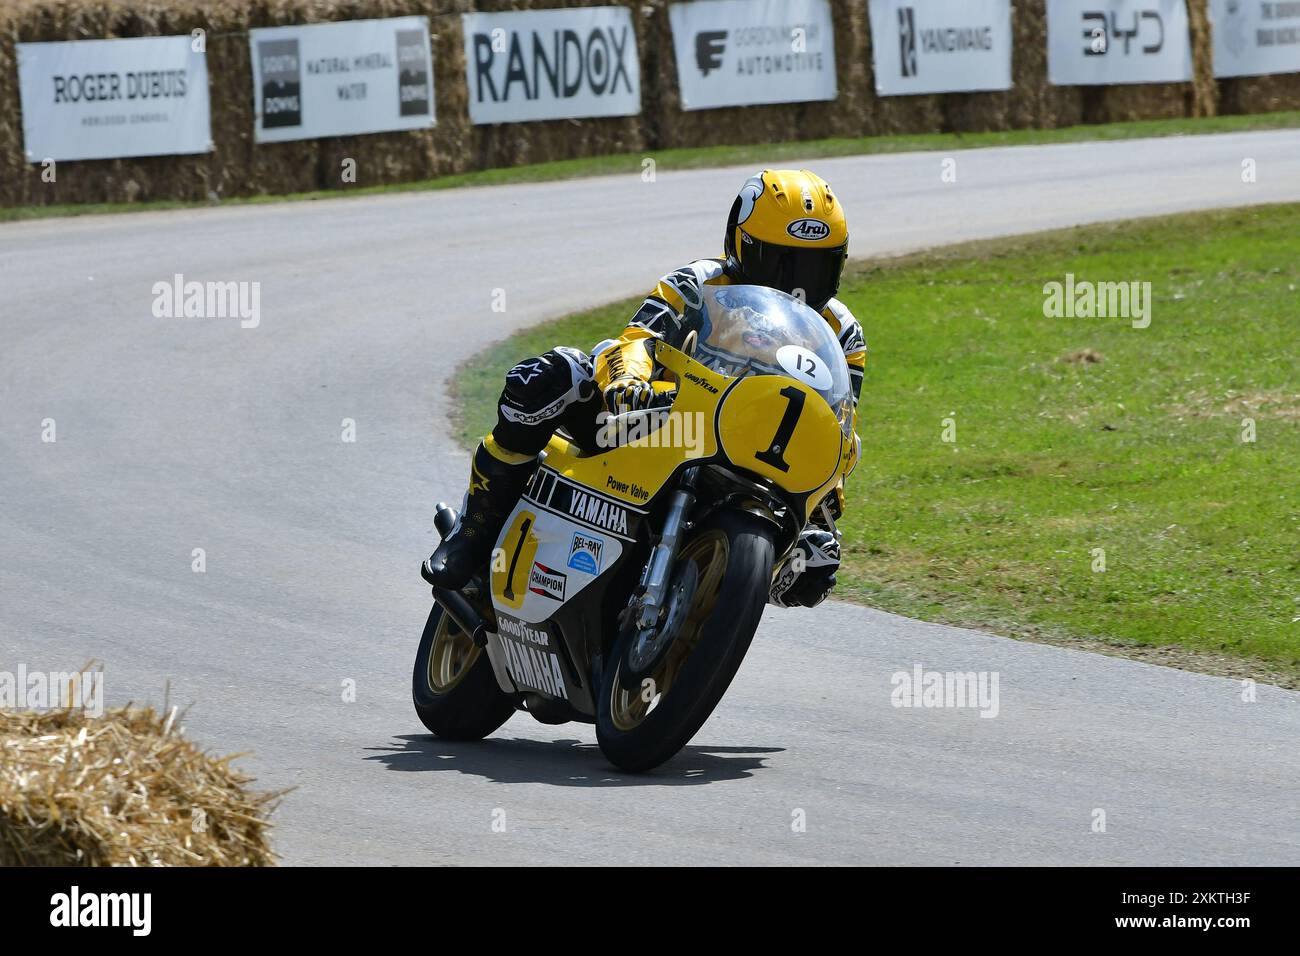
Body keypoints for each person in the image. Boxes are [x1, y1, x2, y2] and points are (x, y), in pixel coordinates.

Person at [423, 168, 866, 608]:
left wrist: (823, 514)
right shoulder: (696, 284)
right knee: (553, 376)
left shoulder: (843, 335)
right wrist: (628, 381)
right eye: (781, 263)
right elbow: (638, 339)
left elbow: (835, 426)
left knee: (815, 567)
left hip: (751, 457)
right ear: (740, 245)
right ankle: (476, 532)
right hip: (660, 422)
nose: (797, 285)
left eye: (817, 266)